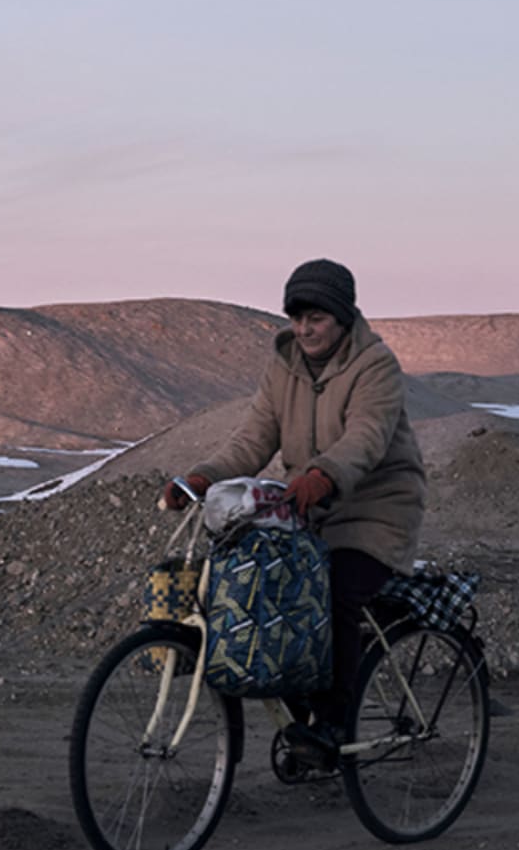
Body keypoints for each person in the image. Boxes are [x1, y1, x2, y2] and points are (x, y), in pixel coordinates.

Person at [162, 258, 427, 760]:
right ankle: (299, 704)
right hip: (308, 508)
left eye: (316, 318)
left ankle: (332, 725)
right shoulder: (284, 366)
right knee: (266, 588)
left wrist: (324, 474)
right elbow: (254, 437)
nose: (304, 329)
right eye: (297, 317)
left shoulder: (375, 365)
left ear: (342, 317)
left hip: (377, 510)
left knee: (332, 593)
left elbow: (367, 437)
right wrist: (202, 476)